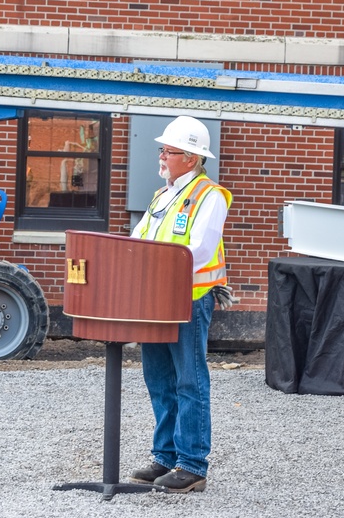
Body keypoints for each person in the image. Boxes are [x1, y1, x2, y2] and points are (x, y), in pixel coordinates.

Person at [127, 116, 233, 493]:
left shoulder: (210, 196)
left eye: (168, 151)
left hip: (189, 301)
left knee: (190, 381)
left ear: (190, 158)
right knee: (159, 380)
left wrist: (153, 266)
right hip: (155, 301)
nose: (161, 157)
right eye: (162, 150)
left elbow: (200, 250)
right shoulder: (162, 195)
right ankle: (166, 456)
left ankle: (192, 465)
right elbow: (138, 239)